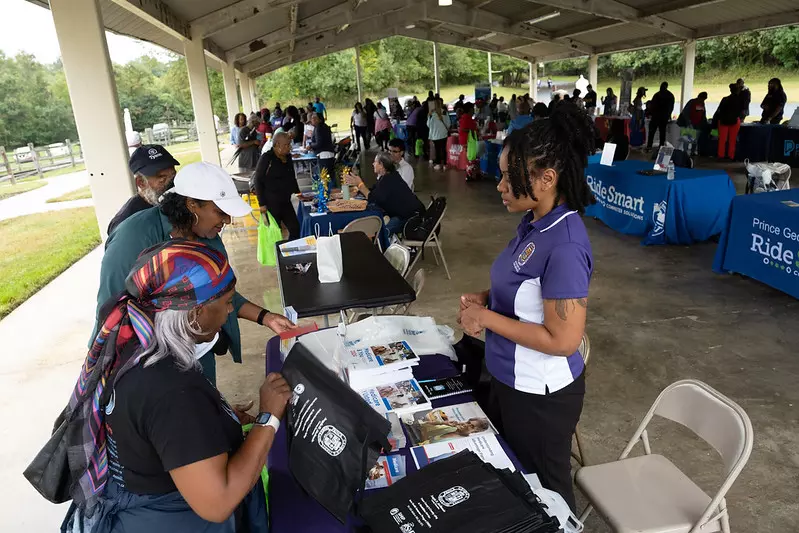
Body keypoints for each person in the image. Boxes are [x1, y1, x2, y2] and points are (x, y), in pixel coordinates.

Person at [59, 239, 292, 532]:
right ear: (194, 312)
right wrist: (268, 418)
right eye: (226, 302)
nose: (231, 311)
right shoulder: (171, 390)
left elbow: (155, 427)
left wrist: (215, 421)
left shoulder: (133, 346)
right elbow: (217, 503)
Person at [458, 103, 595, 512]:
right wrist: (488, 297)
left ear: (547, 178)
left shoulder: (566, 245)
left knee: (547, 496)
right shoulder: (536, 223)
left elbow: (563, 339)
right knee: (514, 480)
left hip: (539, 395)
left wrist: (485, 318)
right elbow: (525, 289)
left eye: (508, 176)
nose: (499, 185)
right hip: (508, 378)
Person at [94, 162, 295, 384]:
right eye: (220, 212)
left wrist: (266, 317)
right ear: (191, 204)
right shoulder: (133, 236)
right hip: (147, 361)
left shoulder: (206, 235)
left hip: (197, 348)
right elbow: (111, 310)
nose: (227, 220)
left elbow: (219, 294)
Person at [344, 152, 424, 236]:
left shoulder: (389, 180)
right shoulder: (388, 176)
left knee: (380, 233)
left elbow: (373, 198)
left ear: (381, 165)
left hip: (410, 218)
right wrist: (357, 191)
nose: (373, 164)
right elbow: (374, 191)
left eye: (375, 162)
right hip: (405, 214)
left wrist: (360, 184)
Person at [107, 145, 179, 235]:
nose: (170, 182)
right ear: (141, 183)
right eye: (162, 178)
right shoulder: (125, 222)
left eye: (173, 176)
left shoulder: (179, 201)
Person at [254, 131, 300, 239]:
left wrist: (298, 192)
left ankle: (291, 252)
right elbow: (257, 180)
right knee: (275, 233)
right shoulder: (267, 158)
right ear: (277, 145)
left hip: (286, 201)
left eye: (289, 144)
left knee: (295, 228)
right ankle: (277, 254)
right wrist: (262, 204)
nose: (289, 147)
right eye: (286, 145)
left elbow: (292, 176)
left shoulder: (287, 157)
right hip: (271, 203)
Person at [715, 83, 742, 160]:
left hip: (723, 121)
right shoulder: (740, 100)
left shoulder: (725, 99)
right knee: (732, 140)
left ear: (730, 90)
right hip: (735, 121)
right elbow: (743, 111)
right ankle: (731, 156)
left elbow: (719, 111)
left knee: (722, 140)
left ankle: (721, 155)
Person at [646, 82, 674, 151]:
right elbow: (671, 107)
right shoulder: (670, 95)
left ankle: (649, 146)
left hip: (655, 116)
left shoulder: (657, 95)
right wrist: (668, 115)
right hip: (664, 117)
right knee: (662, 132)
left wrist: (649, 113)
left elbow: (652, 105)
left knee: (652, 132)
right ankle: (661, 146)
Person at [426, 98, 451, 170]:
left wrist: (429, 116)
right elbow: (448, 124)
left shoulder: (432, 114)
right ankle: (445, 164)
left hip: (435, 136)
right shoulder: (444, 112)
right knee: (443, 149)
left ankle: (438, 164)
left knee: (437, 150)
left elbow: (428, 125)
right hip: (444, 134)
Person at [308, 112, 335, 178]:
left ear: (320, 120)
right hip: (328, 154)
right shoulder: (324, 126)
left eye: (314, 118)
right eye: (312, 118)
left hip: (324, 155)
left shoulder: (318, 128)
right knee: (329, 176)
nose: (312, 120)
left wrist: (311, 145)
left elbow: (318, 143)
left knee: (325, 178)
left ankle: (328, 188)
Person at [459, 102, 481, 181]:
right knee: (470, 158)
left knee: (470, 158)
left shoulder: (466, 117)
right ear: (470, 110)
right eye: (473, 108)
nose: (474, 110)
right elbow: (463, 129)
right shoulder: (466, 117)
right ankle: (469, 175)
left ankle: (473, 174)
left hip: (467, 141)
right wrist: (472, 130)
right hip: (468, 141)